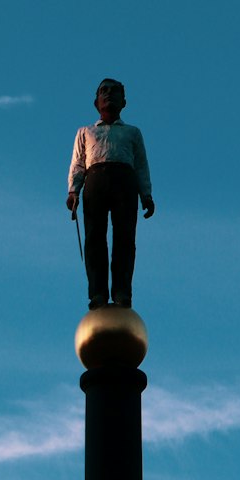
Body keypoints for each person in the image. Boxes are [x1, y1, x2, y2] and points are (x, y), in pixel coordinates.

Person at [67, 79, 154, 310]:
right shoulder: (85, 132)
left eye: (114, 92)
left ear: (123, 102)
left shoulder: (133, 133)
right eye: (103, 91)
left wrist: (146, 194)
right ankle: (97, 294)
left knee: (124, 239)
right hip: (95, 181)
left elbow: (141, 166)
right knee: (95, 238)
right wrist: (73, 191)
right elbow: (78, 164)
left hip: (125, 182)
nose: (109, 95)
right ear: (96, 101)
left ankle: (122, 292)